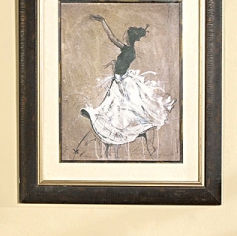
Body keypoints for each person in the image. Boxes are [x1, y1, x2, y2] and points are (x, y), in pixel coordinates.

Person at [72, 15, 174, 160]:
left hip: (121, 83)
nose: (123, 35)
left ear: (128, 38)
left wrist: (103, 22)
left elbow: (111, 38)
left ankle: (120, 135)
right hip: (120, 80)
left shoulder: (127, 50)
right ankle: (117, 135)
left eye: (125, 34)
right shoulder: (129, 50)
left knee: (116, 111)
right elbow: (121, 63)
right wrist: (114, 63)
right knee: (114, 110)